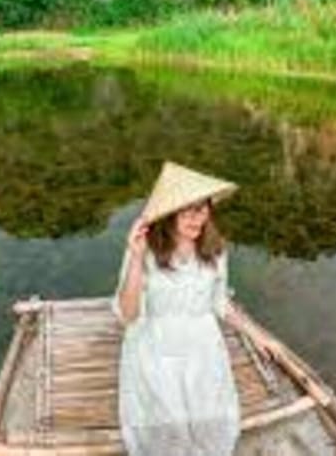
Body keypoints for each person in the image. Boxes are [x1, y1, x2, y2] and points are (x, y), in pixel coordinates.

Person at [111, 160, 248, 456]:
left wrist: (261, 337)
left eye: (203, 208)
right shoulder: (143, 248)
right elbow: (128, 315)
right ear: (168, 215)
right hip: (156, 344)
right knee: (167, 428)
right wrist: (135, 258)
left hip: (202, 343)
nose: (198, 218)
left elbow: (220, 302)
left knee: (211, 425)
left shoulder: (215, 249)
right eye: (188, 210)